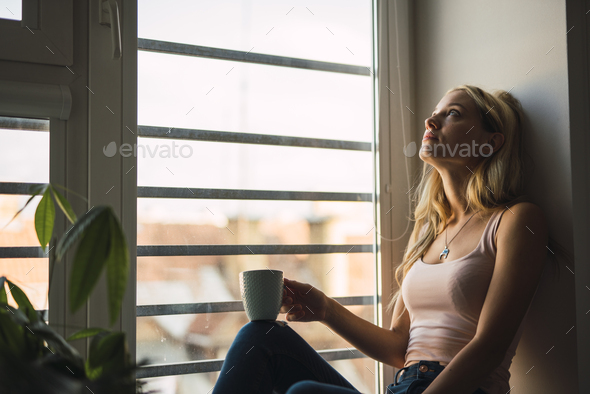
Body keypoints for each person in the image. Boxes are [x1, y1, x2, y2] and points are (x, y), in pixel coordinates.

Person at [212, 85, 550, 394]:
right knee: (258, 338)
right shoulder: (428, 230)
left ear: (490, 143)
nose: (431, 120)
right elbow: (398, 347)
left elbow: (490, 347)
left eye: (453, 114)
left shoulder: (516, 220)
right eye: (436, 111)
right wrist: (325, 308)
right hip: (404, 386)